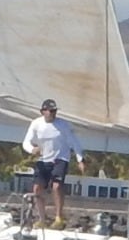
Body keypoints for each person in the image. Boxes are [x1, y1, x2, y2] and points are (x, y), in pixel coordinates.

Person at [21, 98, 84, 228]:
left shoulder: (63, 125)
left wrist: (80, 159)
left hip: (60, 158)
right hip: (43, 159)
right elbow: (26, 142)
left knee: (56, 186)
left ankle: (58, 217)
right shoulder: (36, 124)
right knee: (37, 188)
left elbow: (74, 142)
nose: (52, 113)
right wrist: (32, 149)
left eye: (54, 111)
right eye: (49, 111)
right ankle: (42, 219)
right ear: (43, 111)